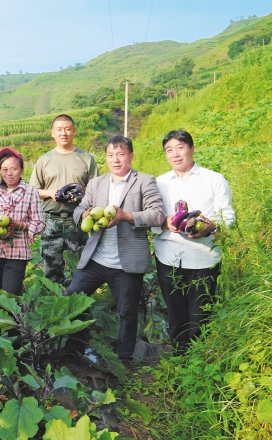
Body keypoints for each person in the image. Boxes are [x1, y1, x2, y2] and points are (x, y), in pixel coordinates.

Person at [68, 136, 164, 361]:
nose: (116, 159)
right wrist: (83, 214)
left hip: (125, 263)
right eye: (110, 155)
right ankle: (74, 351)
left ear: (131, 156)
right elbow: (80, 208)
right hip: (96, 260)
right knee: (73, 299)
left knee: (127, 313)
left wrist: (126, 216)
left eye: (121, 154)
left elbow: (157, 214)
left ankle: (124, 359)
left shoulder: (145, 181)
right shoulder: (96, 183)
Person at [152, 130, 235, 354]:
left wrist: (210, 227)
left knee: (200, 318)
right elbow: (151, 220)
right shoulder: (159, 183)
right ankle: (179, 359)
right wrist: (163, 224)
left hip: (204, 259)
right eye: (169, 150)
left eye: (180, 147)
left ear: (191, 148)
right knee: (176, 316)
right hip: (168, 258)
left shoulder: (214, 179)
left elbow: (228, 217)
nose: (175, 154)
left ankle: (198, 361)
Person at [30, 114, 98, 284]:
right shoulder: (44, 160)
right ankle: (54, 303)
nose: (63, 133)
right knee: (51, 269)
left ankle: (80, 302)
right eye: (59, 130)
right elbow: (32, 190)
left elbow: (96, 189)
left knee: (82, 266)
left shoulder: (86, 159)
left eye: (67, 129)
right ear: (52, 133)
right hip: (51, 221)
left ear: (74, 131)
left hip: (78, 220)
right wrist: (50, 193)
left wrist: (83, 199)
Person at [0, 148, 45, 297]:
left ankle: (11, 320)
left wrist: (20, 225)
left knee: (10, 296)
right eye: (5, 169)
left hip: (17, 253)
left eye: (13, 169)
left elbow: (39, 223)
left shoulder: (31, 192)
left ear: (21, 169)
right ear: (0, 170)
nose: (9, 173)